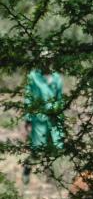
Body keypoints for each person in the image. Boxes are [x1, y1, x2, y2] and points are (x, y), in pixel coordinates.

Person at [23, 50, 64, 185]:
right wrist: (28, 119)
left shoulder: (57, 78)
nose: (47, 62)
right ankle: (27, 167)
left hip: (53, 118)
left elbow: (60, 98)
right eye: (44, 59)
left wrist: (59, 116)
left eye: (50, 59)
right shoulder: (33, 76)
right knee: (37, 147)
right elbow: (28, 98)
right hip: (38, 118)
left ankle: (49, 176)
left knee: (52, 147)